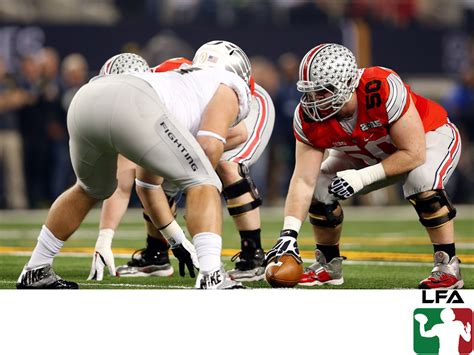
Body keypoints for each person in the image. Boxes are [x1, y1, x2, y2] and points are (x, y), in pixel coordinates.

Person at [16, 40, 253, 289]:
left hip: (87, 98)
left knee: (89, 188)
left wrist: (176, 239)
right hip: (134, 101)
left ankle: (36, 268)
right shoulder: (228, 84)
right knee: (204, 181)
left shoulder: (177, 85)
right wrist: (191, 182)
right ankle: (212, 276)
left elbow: (146, 185)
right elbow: (208, 146)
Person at [265, 43, 463, 289]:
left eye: (324, 91)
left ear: (348, 83)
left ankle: (447, 265)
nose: (314, 101)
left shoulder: (380, 87)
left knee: (421, 181)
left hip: (428, 135)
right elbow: (303, 179)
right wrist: (289, 233)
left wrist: (361, 178)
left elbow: (413, 153)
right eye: (310, 92)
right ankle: (328, 264)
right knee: (319, 186)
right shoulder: (307, 116)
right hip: (367, 150)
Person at [90, 54, 275, 282]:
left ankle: (253, 254)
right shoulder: (145, 102)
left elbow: (237, 134)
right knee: (158, 168)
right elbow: (127, 181)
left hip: (246, 105)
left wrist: (196, 189)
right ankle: (156, 253)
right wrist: (104, 240)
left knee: (226, 167)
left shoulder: (161, 95)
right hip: (198, 122)